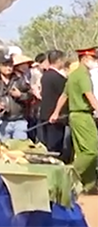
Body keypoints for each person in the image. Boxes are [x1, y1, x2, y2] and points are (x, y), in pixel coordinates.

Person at [51, 47, 98, 191]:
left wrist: (55, 113)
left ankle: (89, 185)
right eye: (93, 59)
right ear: (84, 59)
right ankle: (67, 175)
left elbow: (64, 96)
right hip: (83, 115)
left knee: (84, 151)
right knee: (92, 150)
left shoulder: (73, 74)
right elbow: (89, 95)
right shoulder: (83, 75)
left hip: (74, 115)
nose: (95, 62)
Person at [0, 54, 33, 140]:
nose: (8, 68)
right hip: (1, 121)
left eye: (10, 65)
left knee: (21, 148)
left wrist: (20, 95)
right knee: (5, 149)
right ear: (0, 66)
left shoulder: (20, 79)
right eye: (5, 65)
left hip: (19, 120)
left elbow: (30, 95)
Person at [38, 50, 69, 162]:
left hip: (45, 114)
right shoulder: (59, 78)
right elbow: (64, 95)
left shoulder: (45, 76)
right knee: (55, 146)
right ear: (59, 61)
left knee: (48, 145)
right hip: (56, 116)